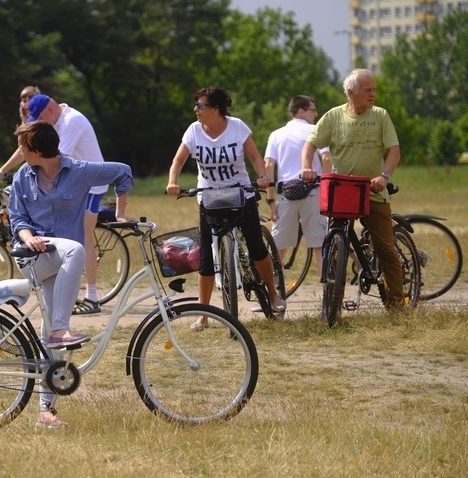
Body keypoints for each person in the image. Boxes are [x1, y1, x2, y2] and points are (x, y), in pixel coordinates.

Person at [8, 121, 133, 427]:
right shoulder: (22, 177)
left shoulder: (78, 171)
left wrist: (119, 212)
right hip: (33, 258)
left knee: (46, 329)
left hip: (61, 262)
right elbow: (16, 219)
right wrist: (28, 238)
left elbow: (123, 171)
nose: (19, 152)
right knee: (76, 249)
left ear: (38, 151)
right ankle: (61, 328)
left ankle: (45, 411)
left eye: (24, 147)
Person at [165, 87, 286, 326]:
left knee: (256, 246)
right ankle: (203, 315)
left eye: (200, 106)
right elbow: (178, 160)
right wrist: (172, 182)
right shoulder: (194, 131)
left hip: (240, 193)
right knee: (206, 259)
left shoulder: (237, 127)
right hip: (209, 198)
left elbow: (254, 157)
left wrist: (262, 176)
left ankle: (273, 294)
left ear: (215, 109)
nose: (195, 110)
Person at [0, 93, 109, 315]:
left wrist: (27, 182)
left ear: (51, 110)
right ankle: (57, 300)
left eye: (40, 117)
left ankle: (92, 296)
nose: (38, 123)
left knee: (83, 237)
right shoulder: (53, 122)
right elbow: (29, 149)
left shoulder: (73, 121)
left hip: (89, 186)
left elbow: (56, 160)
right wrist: (3, 171)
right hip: (68, 185)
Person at [301, 68, 404, 308]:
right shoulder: (334, 117)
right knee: (335, 247)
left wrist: (384, 176)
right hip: (343, 193)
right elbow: (310, 144)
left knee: (386, 249)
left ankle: (398, 306)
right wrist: (306, 166)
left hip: (373, 191)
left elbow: (394, 151)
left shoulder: (380, 116)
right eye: (367, 90)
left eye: (374, 89)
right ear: (351, 92)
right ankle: (332, 304)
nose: (373, 94)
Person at [264, 95, 332, 297]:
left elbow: (268, 166)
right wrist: (328, 188)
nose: (316, 114)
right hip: (314, 191)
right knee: (320, 245)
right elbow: (326, 158)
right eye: (313, 109)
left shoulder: (276, 134)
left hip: (287, 194)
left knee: (278, 248)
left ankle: (271, 295)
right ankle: (328, 296)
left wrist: (270, 199)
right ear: (301, 111)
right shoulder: (315, 131)